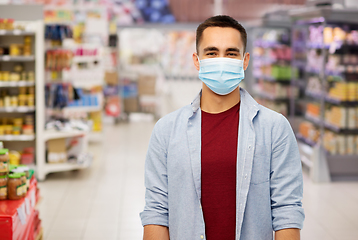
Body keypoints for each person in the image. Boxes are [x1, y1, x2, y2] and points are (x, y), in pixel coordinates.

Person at [140, 15, 304, 240]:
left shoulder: (274, 129)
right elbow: (157, 212)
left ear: (245, 61)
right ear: (197, 60)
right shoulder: (166, 131)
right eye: (212, 52)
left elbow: (287, 211)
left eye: (231, 53)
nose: (221, 60)